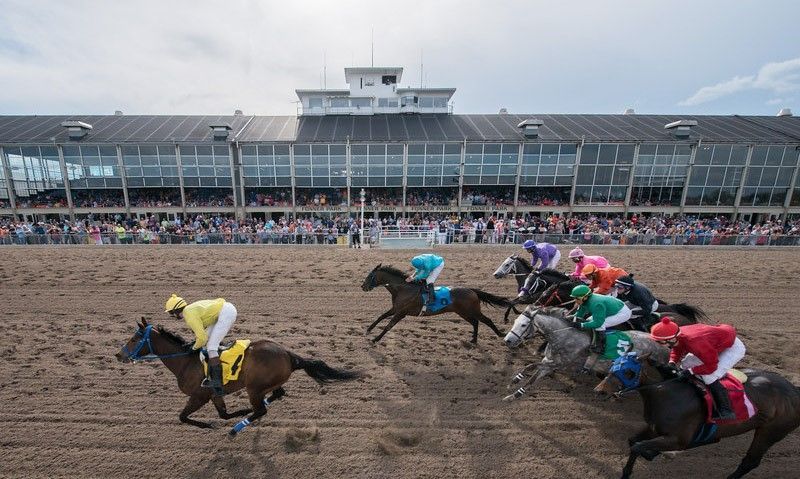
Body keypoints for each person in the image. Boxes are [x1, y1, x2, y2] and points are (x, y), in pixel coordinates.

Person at [650, 317, 745, 420]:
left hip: (731, 348)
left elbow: (711, 366)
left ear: (672, 339)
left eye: (660, 342)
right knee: (685, 364)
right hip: (711, 344)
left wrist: (691, 371)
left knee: (709, 377)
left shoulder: (695, 342)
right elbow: (677, 348)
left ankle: (726, 410)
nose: (659, 344)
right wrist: (672, 361)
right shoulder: (678, 335)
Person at [164, 294, 238, 396]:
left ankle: (217, 381)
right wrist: (195, 344)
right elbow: (203, 336)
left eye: (171, 313)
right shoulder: (189, 310)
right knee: (206, 344)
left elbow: (202, 338)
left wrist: (194, 348)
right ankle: (211, 374)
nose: (172, 316)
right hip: (223, 310)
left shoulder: (189, 315)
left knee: (211, 347)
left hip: (225, 313)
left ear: (176, 310)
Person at [568, 284, 632, 354]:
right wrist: (570, 318)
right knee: (589, 320)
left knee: (600, 325)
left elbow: (598, 323)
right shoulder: (584, 301)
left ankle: (601, 347)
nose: (575, 300)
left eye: (577, 298)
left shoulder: (596, 304)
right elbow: (579, 314)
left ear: (585, 297)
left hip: (622, 312)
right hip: (611, 307)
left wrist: (581, 325)